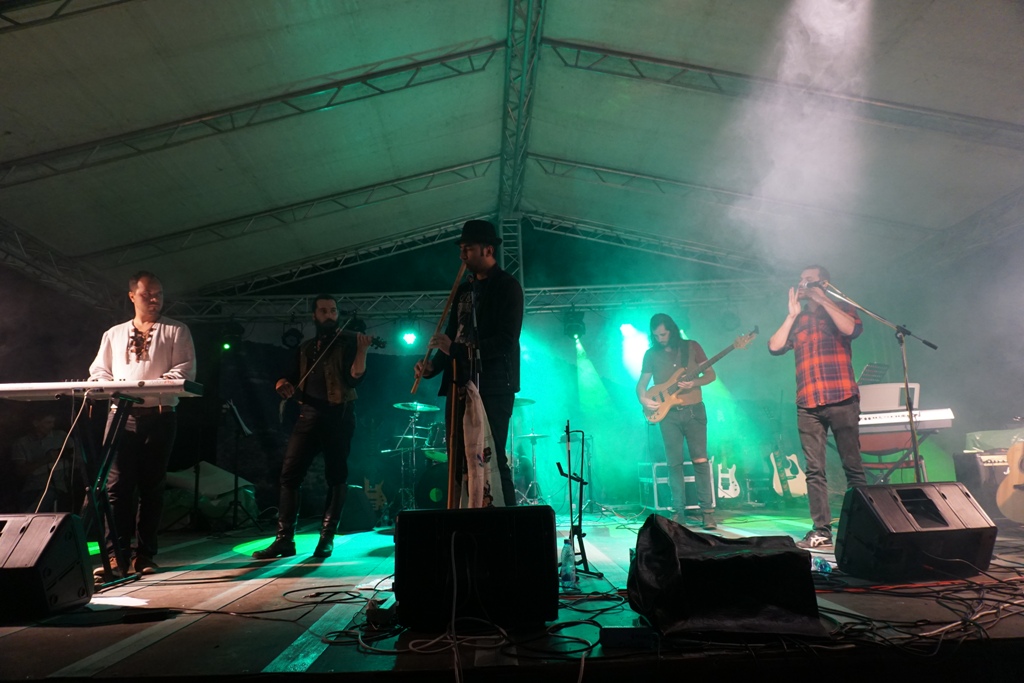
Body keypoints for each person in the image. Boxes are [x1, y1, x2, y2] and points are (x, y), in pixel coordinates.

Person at [89, 271, 196, 578]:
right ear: (132, 296)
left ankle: (145, 555)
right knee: (116, 488)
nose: (154, 299)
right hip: (121, 416)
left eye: (158, 294)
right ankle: (115, 556)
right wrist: (111, 387)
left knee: (152, 487)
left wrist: (147, 387)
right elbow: (99, 371)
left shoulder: (176, 330)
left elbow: (184, 370)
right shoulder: (114, 334)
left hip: (160, 415)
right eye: (148, 294)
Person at [253, 295, 372, 560]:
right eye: (324, 311)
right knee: (289, 475)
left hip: (338, 416)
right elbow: (289, 376)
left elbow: (354, 378)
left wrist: (362, 350)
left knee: (336, 476)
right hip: (308, 415)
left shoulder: (348, 344)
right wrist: (281, 383)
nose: (329, 315)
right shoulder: (306, 347)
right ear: (314, 316)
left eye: (333, 311)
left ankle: (327, 538)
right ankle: (284, 540)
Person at [414, 219, 524, 507]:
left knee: (492, 457)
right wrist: (433, 366)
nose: (462, 254)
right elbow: (454, 336)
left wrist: (455, 349)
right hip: (459, 383)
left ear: (488, 249)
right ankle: (464, 520)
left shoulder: (507, 287)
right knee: (458, 458)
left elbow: (505, 341)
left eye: (468, 248)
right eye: (461, 248)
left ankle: (509, 524)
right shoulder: (464, 290)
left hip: (494, 384)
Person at [768, 265, 866, 549]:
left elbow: (851, 329)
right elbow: (774, 347)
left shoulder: (842, 308)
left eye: (808, 280)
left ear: (823, 283)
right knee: (814, 470)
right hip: (808, 403)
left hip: (841, 397)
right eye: (800, 280)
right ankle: (821, 530)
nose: (802, 284)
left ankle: (864, 528)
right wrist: (791, 315)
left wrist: (822, 299)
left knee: (853, 467)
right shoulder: (798, 319)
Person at [636, 313, 717, 529]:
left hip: (694, 411)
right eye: (656, 336)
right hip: (669, 415)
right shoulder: (650, 354)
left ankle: (707, 513)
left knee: (700, 461)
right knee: (674, 464)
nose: (660, 339)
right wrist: (643, 399)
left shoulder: (692, 347)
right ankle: (677, 512)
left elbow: (711, 375)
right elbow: (641, 384)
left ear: (672, 330)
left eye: (663, 334)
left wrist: (694, 383)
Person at [10, 412, 74, 513]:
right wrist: (46, 459)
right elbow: (20, 471)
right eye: (48, 422)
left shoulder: (61, 436)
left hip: (57, 487)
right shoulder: (22, 443)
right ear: (36, 423)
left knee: (45, 498)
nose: (52, 426)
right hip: (31, 487)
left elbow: (77, 457)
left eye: (53, 422)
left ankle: (30, 518)